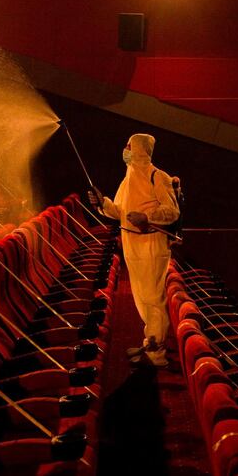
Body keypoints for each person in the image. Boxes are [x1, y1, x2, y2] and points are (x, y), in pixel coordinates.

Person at [88, 134, 180, 367]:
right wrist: (102, 203)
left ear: (139, 149)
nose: (125, 150)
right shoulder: (127, 179)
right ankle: (150, 341)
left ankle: (157, 353)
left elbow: (172, 211)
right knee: (141, 298)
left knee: (152, 297)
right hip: (132, 243)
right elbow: (119, 211)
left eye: (129, 146)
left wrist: (147, 217)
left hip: (151, 243)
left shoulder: (157, 176)